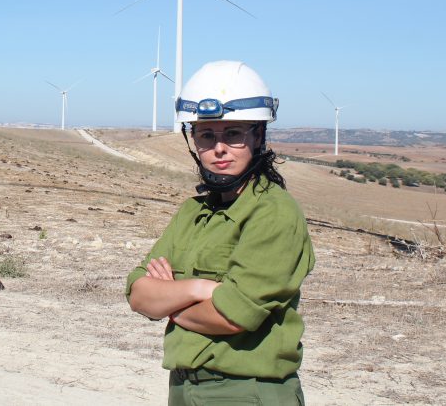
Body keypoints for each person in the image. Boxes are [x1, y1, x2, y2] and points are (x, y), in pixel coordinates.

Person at [126, 61, 315, 405]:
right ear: (193, 139)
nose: (219, 148)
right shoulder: (192, 212)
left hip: (245, 391)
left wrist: (169, 304)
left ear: (258, 135)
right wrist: (200, 288)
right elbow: (138, 294)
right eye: (207, 135)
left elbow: (232, 316)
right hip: (184, 388)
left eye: (233, 134)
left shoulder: (274, 213)